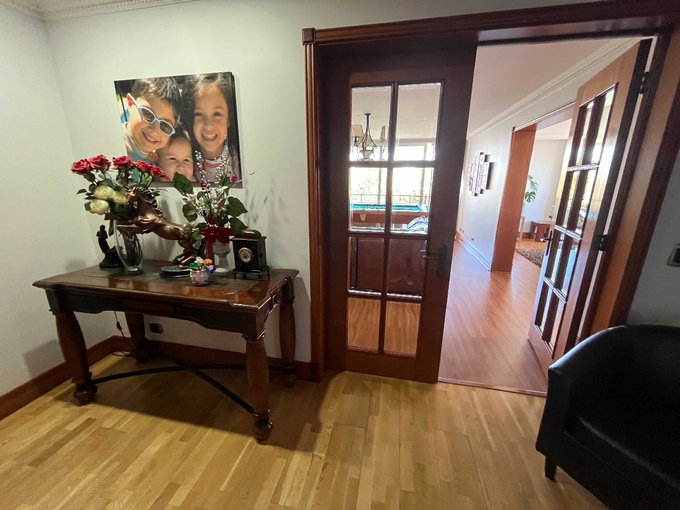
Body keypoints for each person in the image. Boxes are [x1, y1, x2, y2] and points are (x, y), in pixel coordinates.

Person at [182, 73, 241, 184]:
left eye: (217, 114)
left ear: (229, 118)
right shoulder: (183, 162)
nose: (208, 126)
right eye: (199, 114)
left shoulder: (241, 161)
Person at [121, 77, 181, 163]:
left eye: (165, 126)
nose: (154, 130)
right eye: (148, 114)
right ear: (130, 103)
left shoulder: (160, 160)